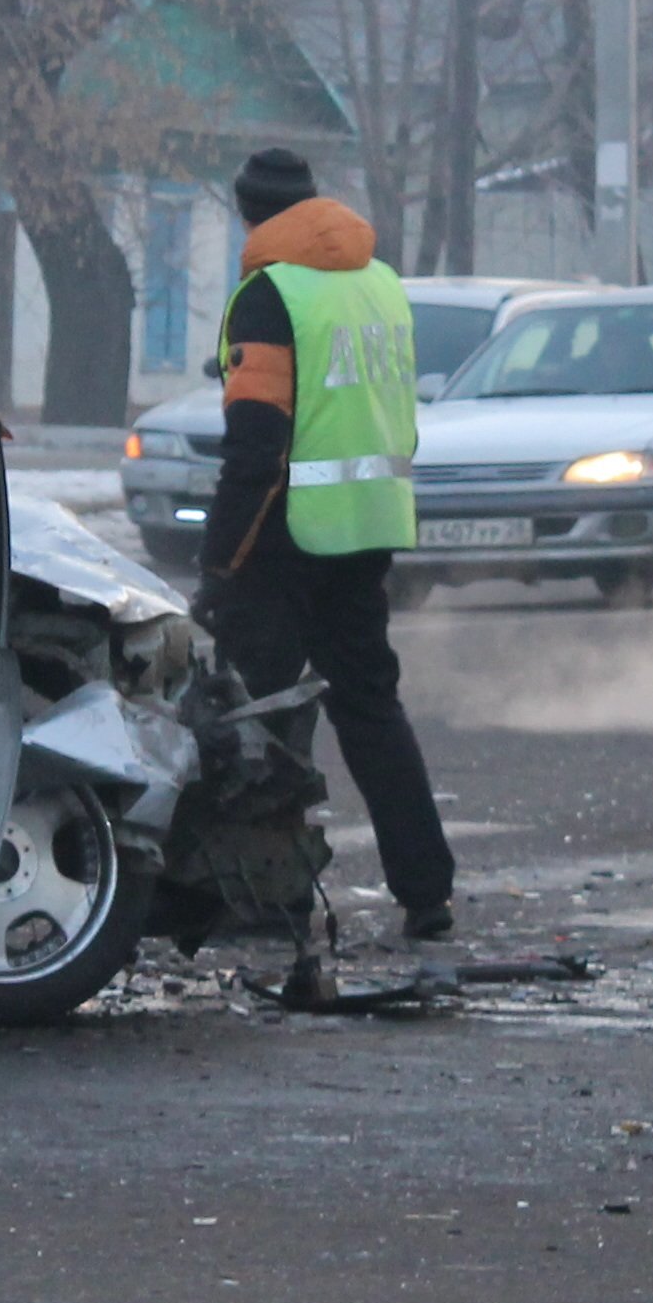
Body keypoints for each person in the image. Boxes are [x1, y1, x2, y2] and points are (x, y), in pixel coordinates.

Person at [199, 145, 454, 942]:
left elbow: (256, 444)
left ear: (248, 215)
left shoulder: (268, 296)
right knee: (371, 706)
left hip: (283, 536)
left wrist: (220, 558)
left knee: (262, 719)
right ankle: (427, 892)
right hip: (368, 525)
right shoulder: (380, 284)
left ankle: (270, 899)